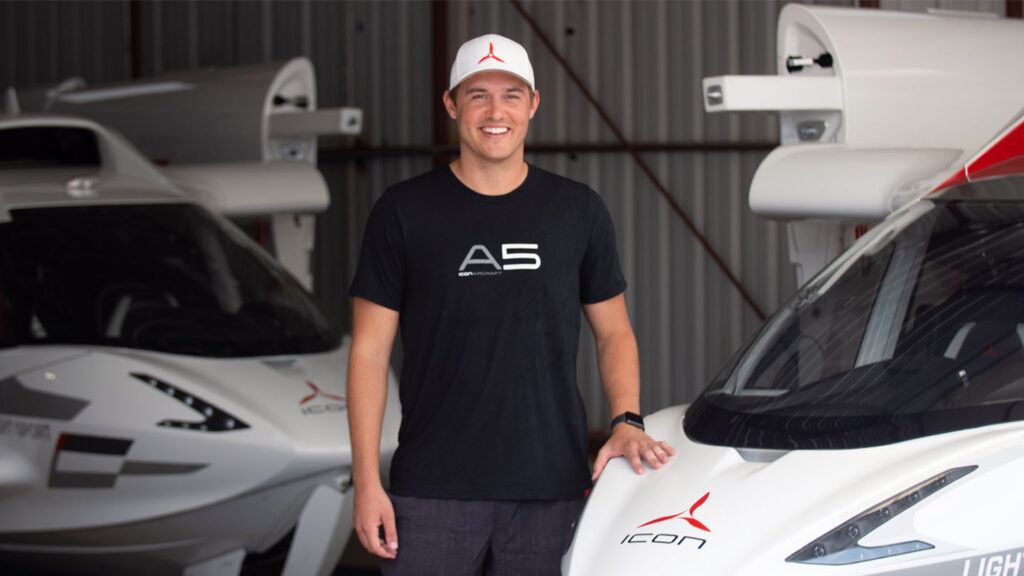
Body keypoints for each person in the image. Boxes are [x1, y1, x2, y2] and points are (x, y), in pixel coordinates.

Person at [347, 33, 675, 576]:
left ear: (533, 104)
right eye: (477, 95)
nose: (495, 111)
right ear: (452, 104)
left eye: (511, 94)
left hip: (551, 488)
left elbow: (614, 332)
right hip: (432, 490)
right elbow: (368, 352)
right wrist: (366, 480)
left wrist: (627, 419)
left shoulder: (577, 210)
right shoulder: (403, 211)